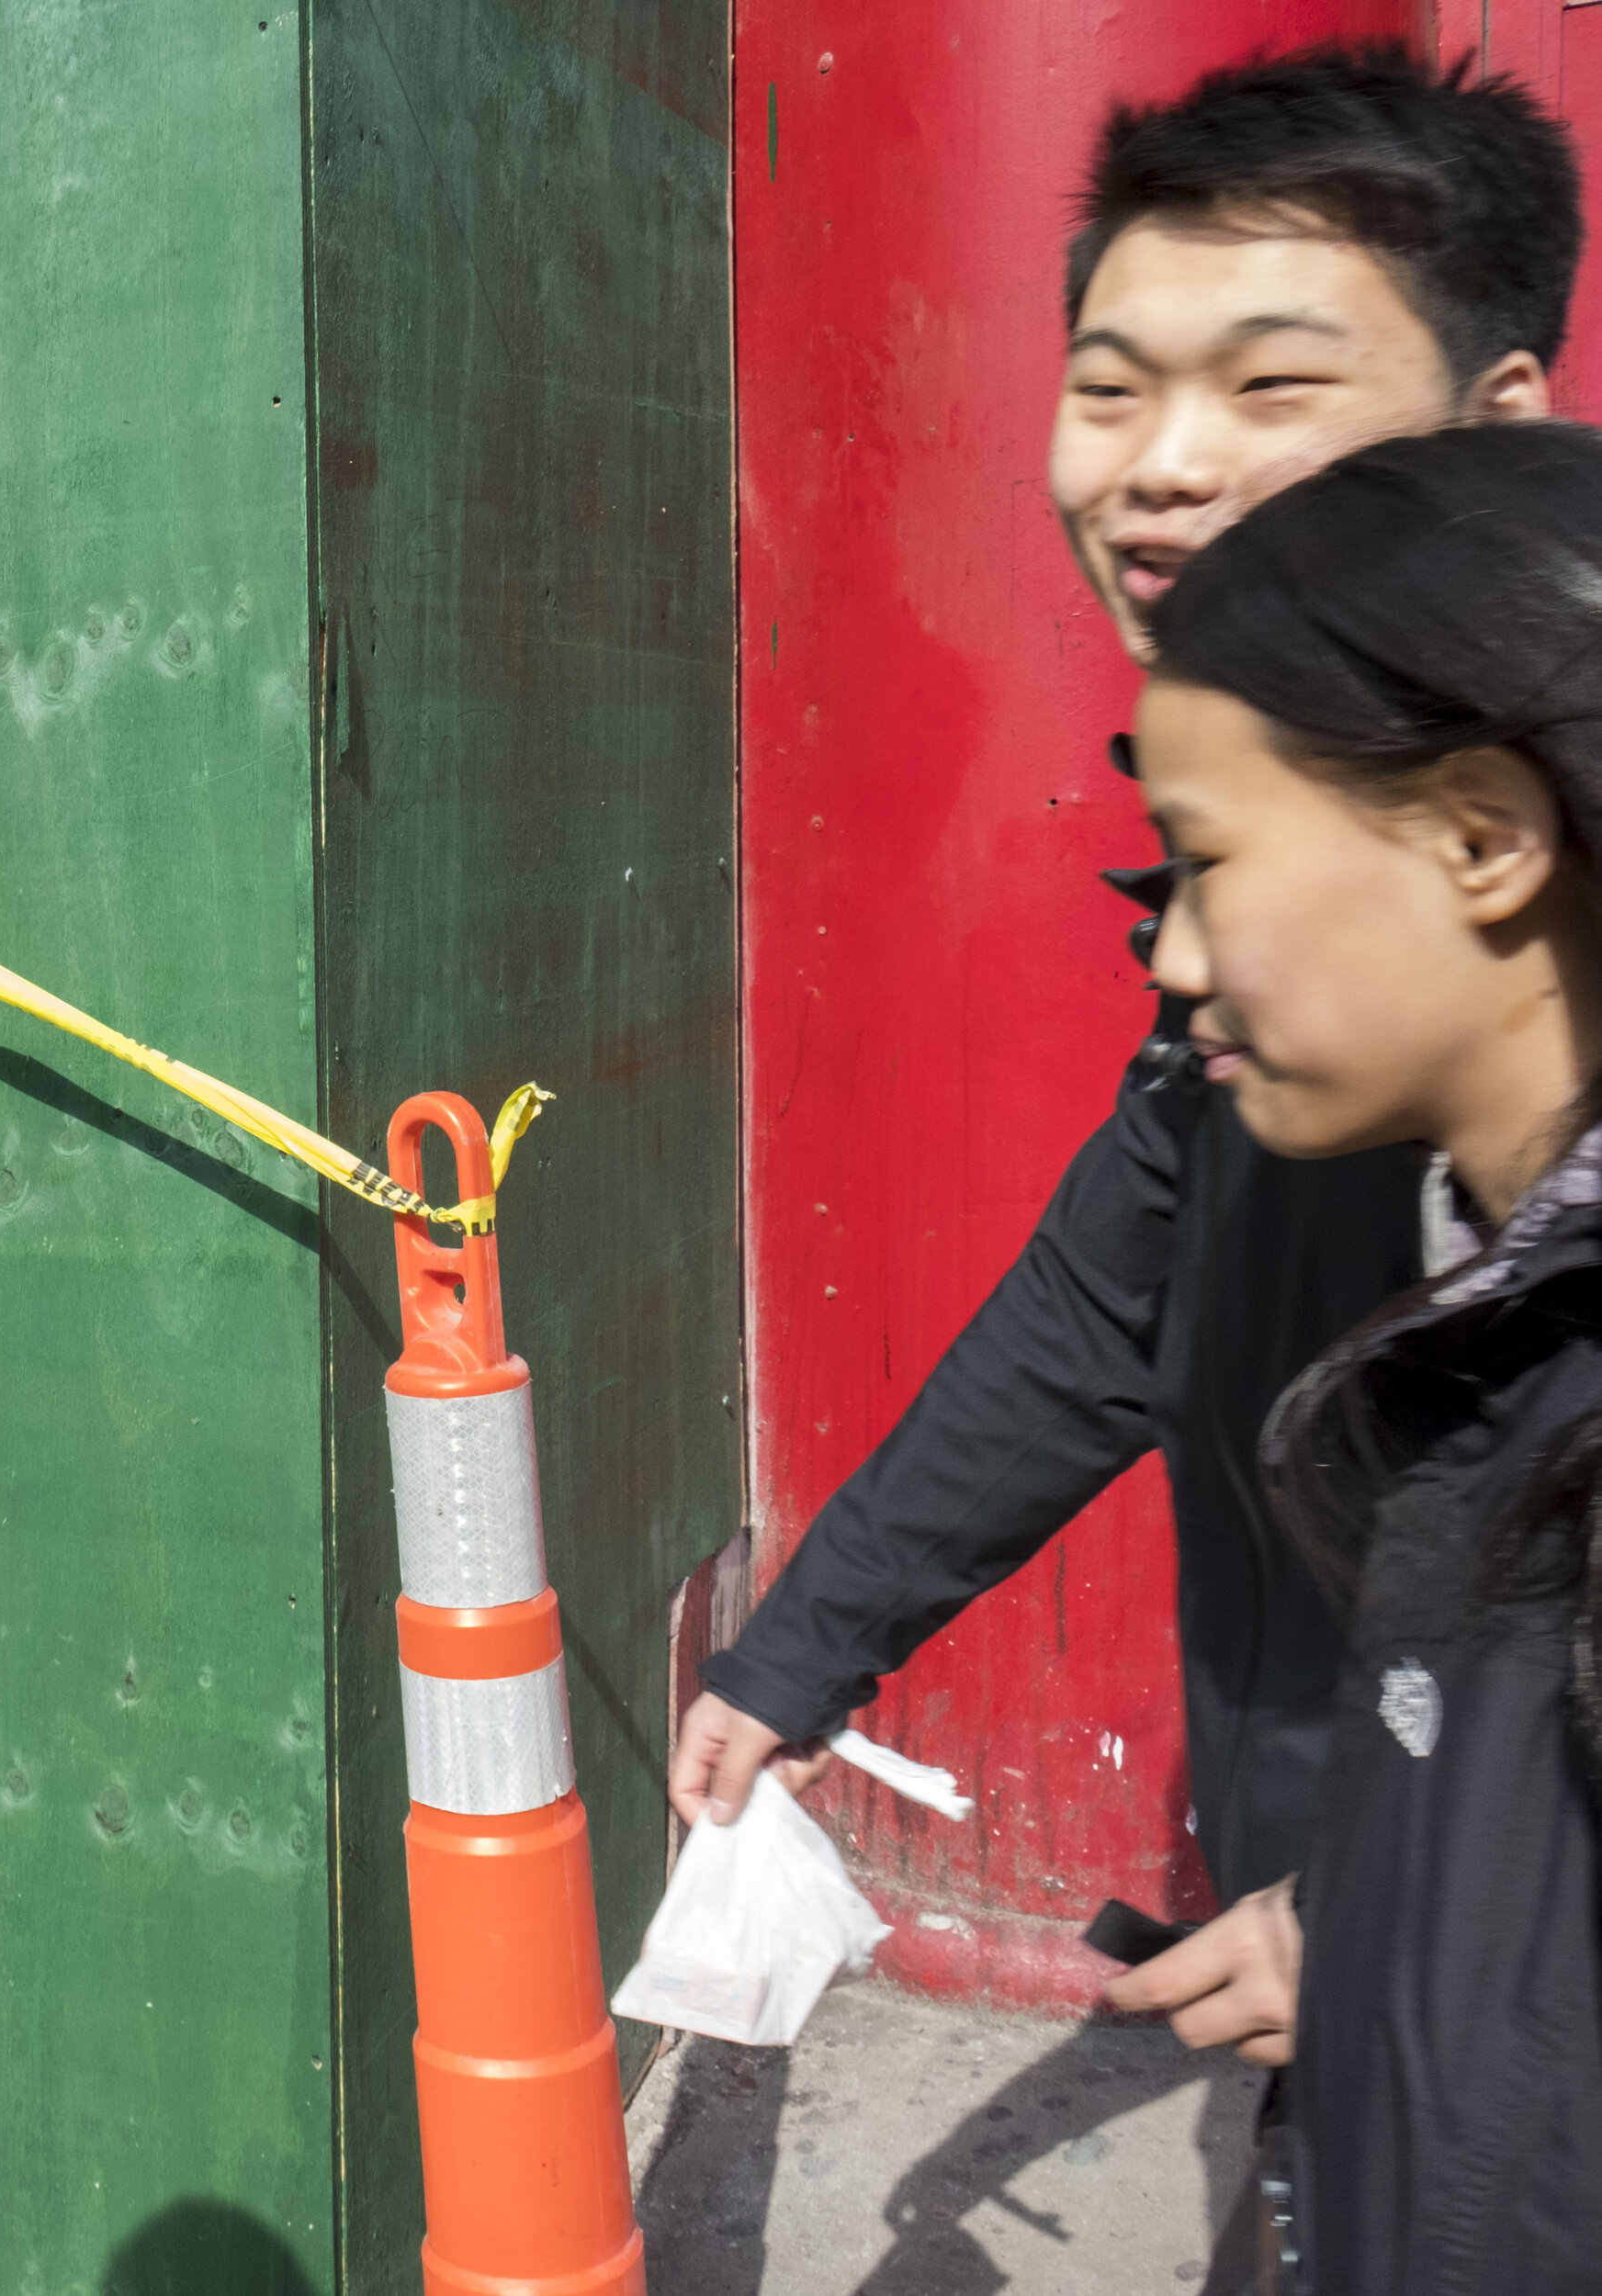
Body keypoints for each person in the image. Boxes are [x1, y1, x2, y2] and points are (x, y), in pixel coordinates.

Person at [672, 48, 1582, 1922]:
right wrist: (797, 1650)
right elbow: (1107, 1301)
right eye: (1107, 388)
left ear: (1497, 414)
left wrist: (1396, 1930)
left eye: (1269, 385)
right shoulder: (1274, 908)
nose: (1159, 461)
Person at [1110, 418, 1602, 2291]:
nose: (1165, 955)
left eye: (1204, 859)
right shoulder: (1488, 1324)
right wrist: (1377, 1929)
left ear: (1480, 834)